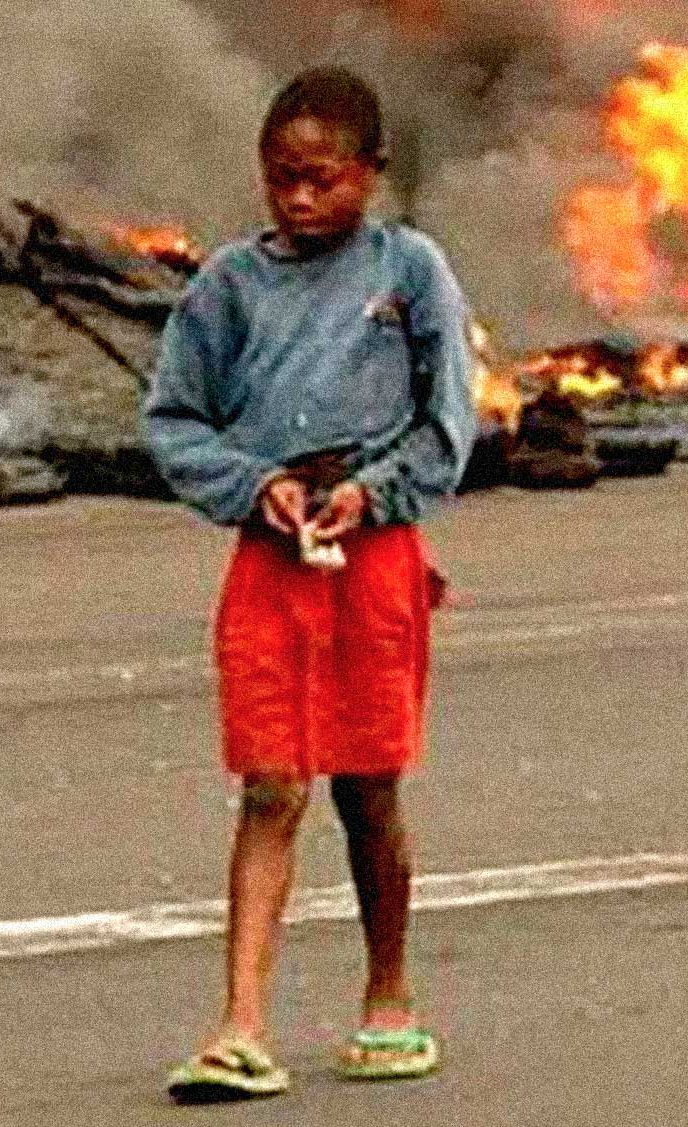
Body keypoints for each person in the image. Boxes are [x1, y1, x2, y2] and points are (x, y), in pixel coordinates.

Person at [144, 65, 476, 1102]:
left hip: (374, 556)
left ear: (370, 175)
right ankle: (241, 1023)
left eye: (322, 180)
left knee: (367, 785)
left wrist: (374, 495)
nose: (298, 199)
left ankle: (389, 995)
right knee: (271, 783)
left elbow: (447, 420)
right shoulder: (227, 287)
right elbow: (173, 420)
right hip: (271, 554)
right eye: (281, 178)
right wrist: (256, 488)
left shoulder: (409, 270)